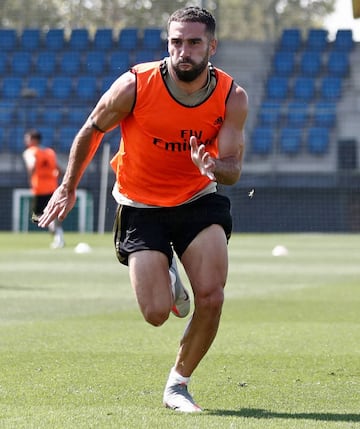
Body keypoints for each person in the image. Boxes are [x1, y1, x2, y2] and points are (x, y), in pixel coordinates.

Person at [38, 6, 248, 412]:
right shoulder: (136, 84)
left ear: (212, 47)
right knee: (154, 313)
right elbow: (91, 130)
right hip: (140, 203)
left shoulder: (231, 95)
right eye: (175, 42)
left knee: (211, 296)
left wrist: (214, 166)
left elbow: (234, 169)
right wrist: (67, 186)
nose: (183, 51)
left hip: (197, 199)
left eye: (193, 42)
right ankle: (167, 271)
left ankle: (178, 385)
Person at [23, 129, 65, 249]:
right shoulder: (49, 152)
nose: (25, 141)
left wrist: (31, 177)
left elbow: (32, 164)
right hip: (52, 188)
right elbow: (59, 169)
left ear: (34, 140)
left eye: (27, 138)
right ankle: (58, 235)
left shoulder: (30, 152)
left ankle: (57, 236)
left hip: (40, 189)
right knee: (50, 214)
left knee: (36, 217)